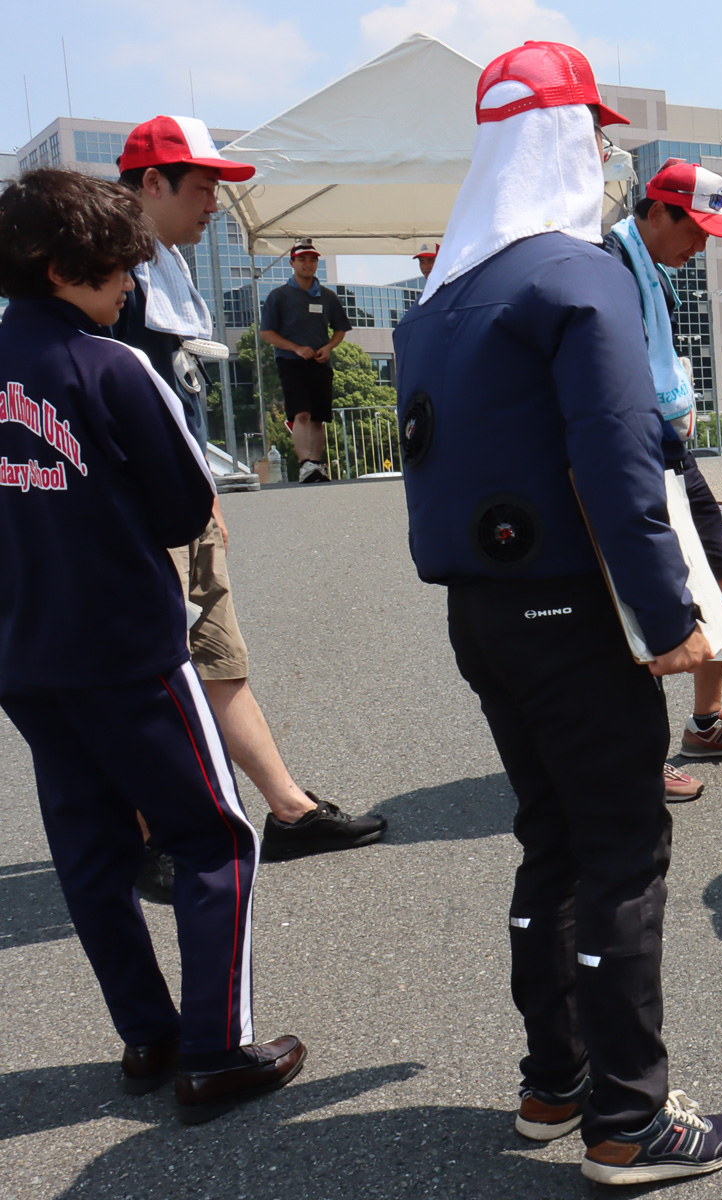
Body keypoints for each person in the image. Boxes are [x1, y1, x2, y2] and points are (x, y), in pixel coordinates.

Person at [394, 42, 722, 1183]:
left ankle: (553, 1084)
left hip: (482, 614)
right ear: (568, 141)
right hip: (573, 609)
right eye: (594, 138)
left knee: (549, 840)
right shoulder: (574, 272)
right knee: (623, 854)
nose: (602, 158)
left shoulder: (446, 291)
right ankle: (630, 1121)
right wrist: (670, 619)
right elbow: (615, 456)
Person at [0, 168, 305, 1121]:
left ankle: (149, 1031)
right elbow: (183, 505)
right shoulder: (110, 366)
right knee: (213, 836)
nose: (129, 284)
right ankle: (218, 1050)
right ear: (60, 269)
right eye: (112, 268)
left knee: (89, 849)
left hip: (23, 652)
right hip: (127, 648)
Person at [111, 116, 385, 894]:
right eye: (202, 189)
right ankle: (148, 835)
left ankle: (288, 811)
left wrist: (199, 493)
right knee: (153, 673)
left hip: (177, 500)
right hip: (140, 511)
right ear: (152, 183)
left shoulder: (160, 262)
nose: (213, 207)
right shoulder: (116, 268)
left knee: (215, 661)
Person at [604, 160, 722, 804]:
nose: (704, 244)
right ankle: (632, 755)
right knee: (634, 601)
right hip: (628, 449)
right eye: (697, 229)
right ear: (657, 212)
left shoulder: (652, 268)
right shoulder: (609, 264)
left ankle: (706, 722)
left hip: (670, 443)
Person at [259, 238, 348, 483]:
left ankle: (316, 464)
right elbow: (266, 332)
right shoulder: (278, 296)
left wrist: (329, 347)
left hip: (320, 363)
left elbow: (340, 329)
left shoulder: (328, 297)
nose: (308, 264)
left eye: (312, 259)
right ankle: (304, 463)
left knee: (319, 416)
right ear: (292, 262)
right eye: (302, 259)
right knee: (302, 413)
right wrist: (296, 348)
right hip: (291, 361)